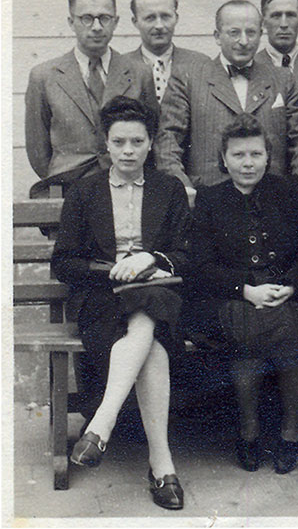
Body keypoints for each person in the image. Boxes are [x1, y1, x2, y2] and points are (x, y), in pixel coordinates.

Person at [51, 96, 190, 510]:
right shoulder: (85, 191)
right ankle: (162, 465)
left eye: (137, 141)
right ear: (106, 145)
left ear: (151, 144)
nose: (128, 151)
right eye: (119, 142)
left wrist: (151, 259)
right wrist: (113, 270)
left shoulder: (169, 189)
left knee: (150, 310)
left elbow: (187, 254)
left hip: (159, 292)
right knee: (152, 348)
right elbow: (64, 262)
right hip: (102, 298)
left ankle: (99, 427)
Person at [191, 114, 298, 474]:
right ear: (224, 158)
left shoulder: (288, 192)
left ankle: (288, 435)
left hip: (285, 291)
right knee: (250, 325)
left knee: (286, 329)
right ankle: (250, 431)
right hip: (234, 295)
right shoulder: (211, 199)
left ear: (268, 156)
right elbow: (202, 265)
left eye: (256, 154)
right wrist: (246, 290)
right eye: (239, 155)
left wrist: (290, 285)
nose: (247, 163)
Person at [155, 0, 298, 206]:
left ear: (260, 35)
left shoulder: (282, 79)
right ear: (217, 36)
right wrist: (182, 187)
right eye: (234, 33)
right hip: (207, 200)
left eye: (251, 33)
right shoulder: (189, 78)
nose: (243, 41)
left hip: (272, 200)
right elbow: (168, 140)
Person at [25, 0, 158, 196]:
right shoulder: (44, 76)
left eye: (104, 18)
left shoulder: (139, 73)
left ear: (116, 22)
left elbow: (152, 132)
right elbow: (38, 151)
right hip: (68, 189)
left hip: (126, 187)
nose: (96, 27)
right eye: (86, 18)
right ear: (71, 22)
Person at [126, 0, 210, 105]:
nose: (159, 25)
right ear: (135, 22)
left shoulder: (201, 65)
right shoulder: (120, 67)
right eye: (150, 18)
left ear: (176, 18)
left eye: (165, 16)